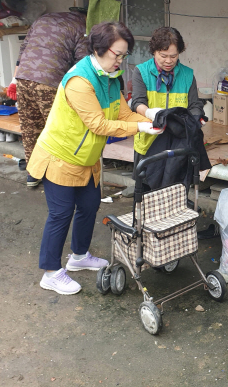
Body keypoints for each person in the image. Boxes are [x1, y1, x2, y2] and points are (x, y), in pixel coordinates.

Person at [27, 21, 163, 295]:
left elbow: (122, 113)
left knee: (89, 206)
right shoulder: (80, 81)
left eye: (125, 55)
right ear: (99, 50)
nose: (121, 61)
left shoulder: (110, 77)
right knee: (61, 214)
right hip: (61, 156)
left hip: (87, 158)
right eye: (118, 55)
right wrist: (140, 127)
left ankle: (79, 256)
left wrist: (149, 115)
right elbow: (98, 124)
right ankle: (51, 272)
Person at [7, 9, 88, 188]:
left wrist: (14, 80)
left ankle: (33, 174)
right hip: (50, 82)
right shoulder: (82, 25)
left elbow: (23, 51)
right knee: (57, 130)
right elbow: (82, 62)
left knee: (30, 128)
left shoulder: (42, 18)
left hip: (24, 78)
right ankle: (59, 179)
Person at [130, 26, 205, 165]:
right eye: (163, 56)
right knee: (147, 186)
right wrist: (149, 112)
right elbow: (137, 102)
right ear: (154, 52)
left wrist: (195, 120)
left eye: (174, 56)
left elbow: (195, 104)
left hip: (178, 145)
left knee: (176, 186)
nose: (169, 61)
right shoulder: (141, 72)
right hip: (148, 143)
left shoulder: (187, 75)